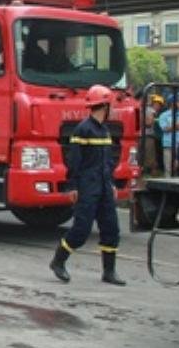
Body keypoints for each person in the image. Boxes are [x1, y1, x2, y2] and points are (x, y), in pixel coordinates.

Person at [49, 84, 126, 286]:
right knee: (81, 230)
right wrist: (73, 186)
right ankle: (58, 261)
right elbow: (74, 161)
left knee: (111, 229)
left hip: (103, 187)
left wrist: (111, 184)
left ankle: (109, 272)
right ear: (103, 106)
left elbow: (107, 162)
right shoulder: (83, 129)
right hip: (87, 187)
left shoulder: (105, 131)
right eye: (110, 104)